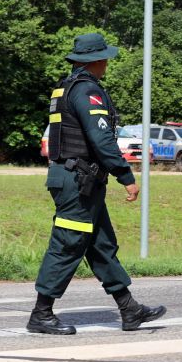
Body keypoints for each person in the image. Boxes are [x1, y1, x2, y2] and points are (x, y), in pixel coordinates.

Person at [28, 33, 166, 335]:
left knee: (101, 244)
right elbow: (101, 138)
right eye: (105, 57)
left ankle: (129, 309)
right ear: (95, 60)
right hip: (76, 180)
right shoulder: (87, 91)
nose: (107, 63)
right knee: (68, 243)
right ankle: (41, 313)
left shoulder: (65, 88)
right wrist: (126, 176)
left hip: (78, 179)